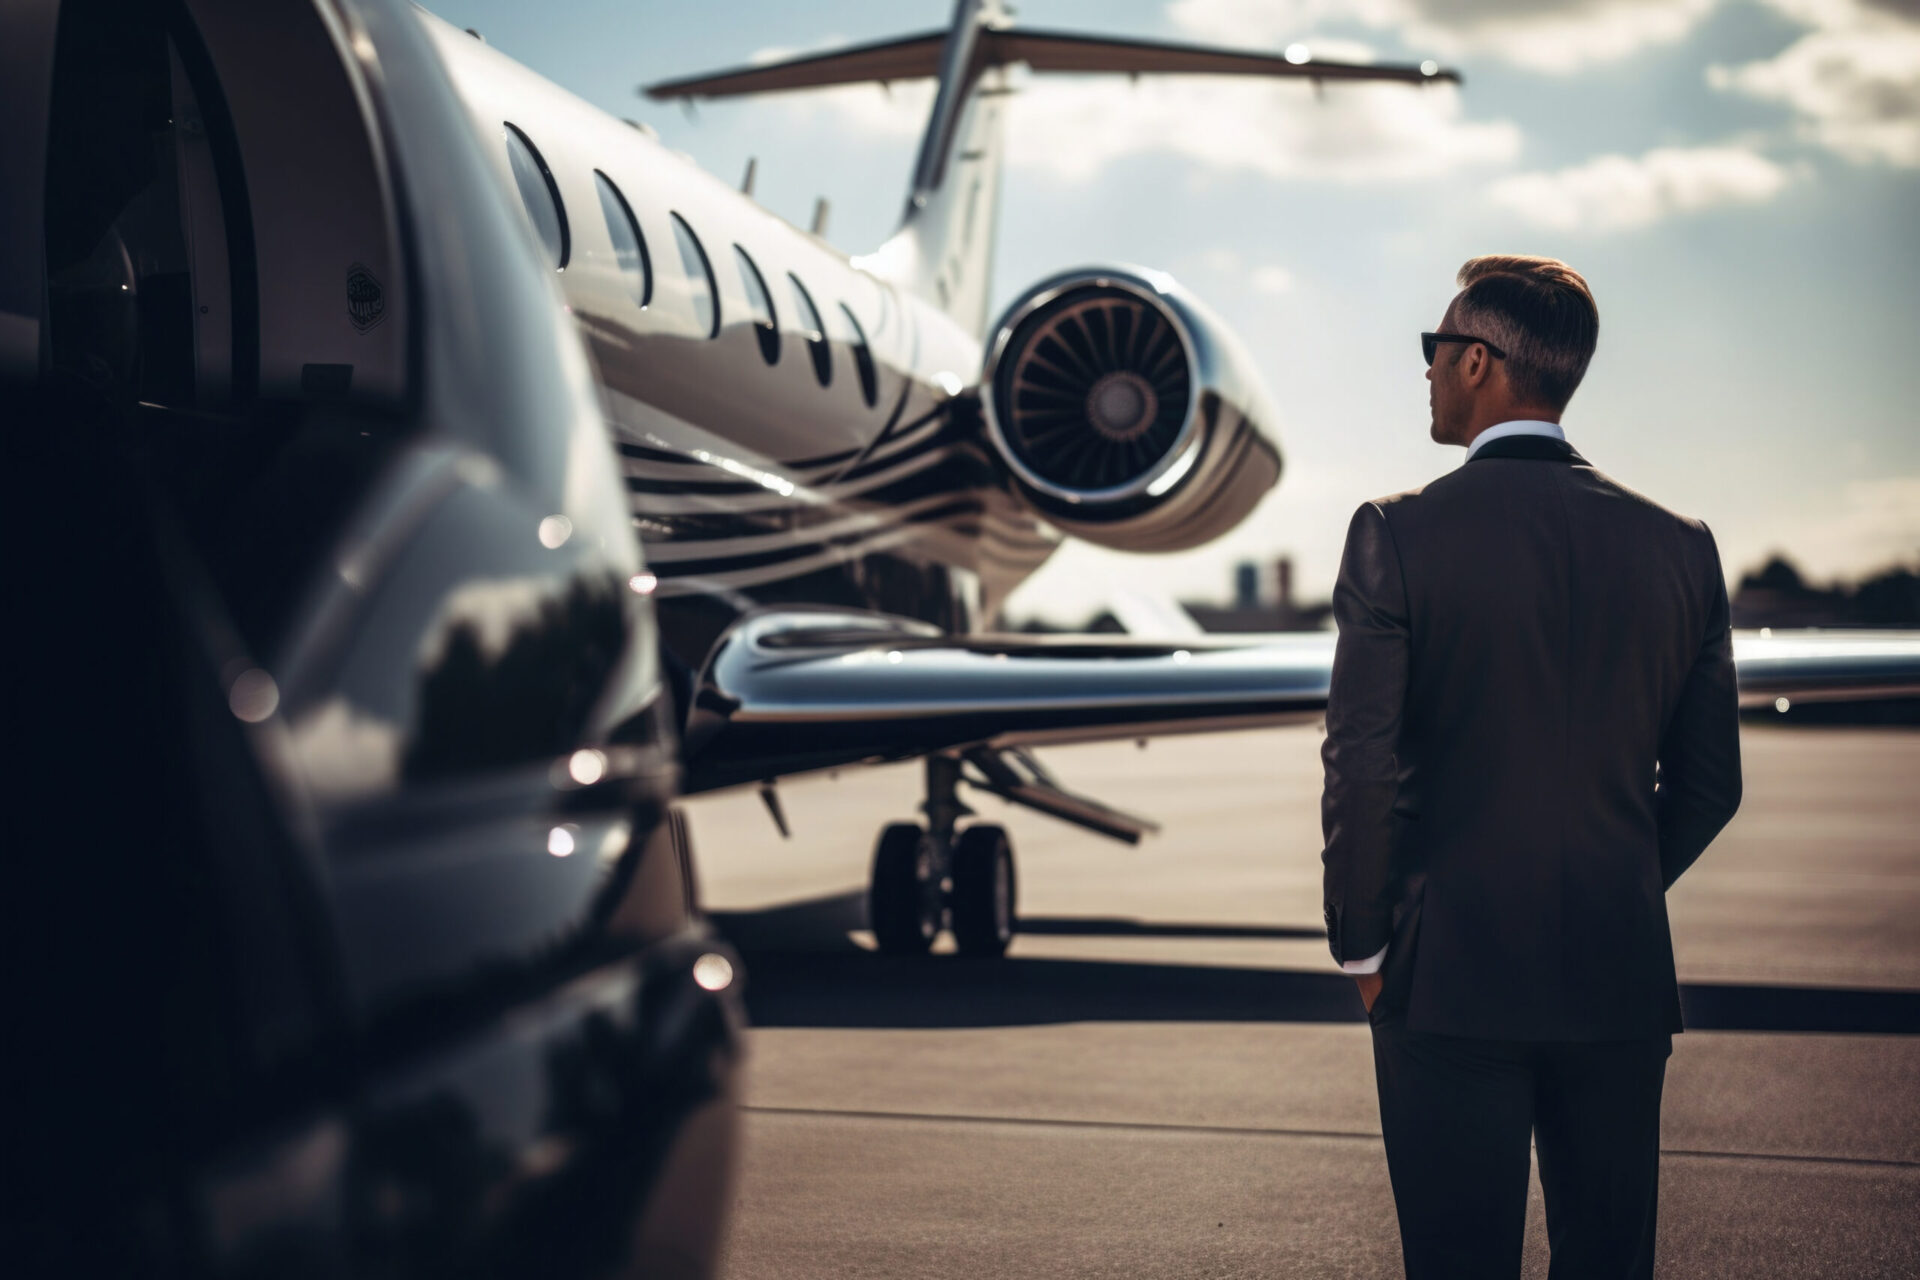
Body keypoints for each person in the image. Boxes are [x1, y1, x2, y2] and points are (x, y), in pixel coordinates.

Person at [1319, 255, 1743, 1277]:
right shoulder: (1682, 546)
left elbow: (1359, 763)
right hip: (1618, 976)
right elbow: (1709, 784)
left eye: (1435, 349)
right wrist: (1616, 883)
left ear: (1477, 363)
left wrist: (1366, 950)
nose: (1424, 370)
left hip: (1444, 979)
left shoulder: (1396, 532)